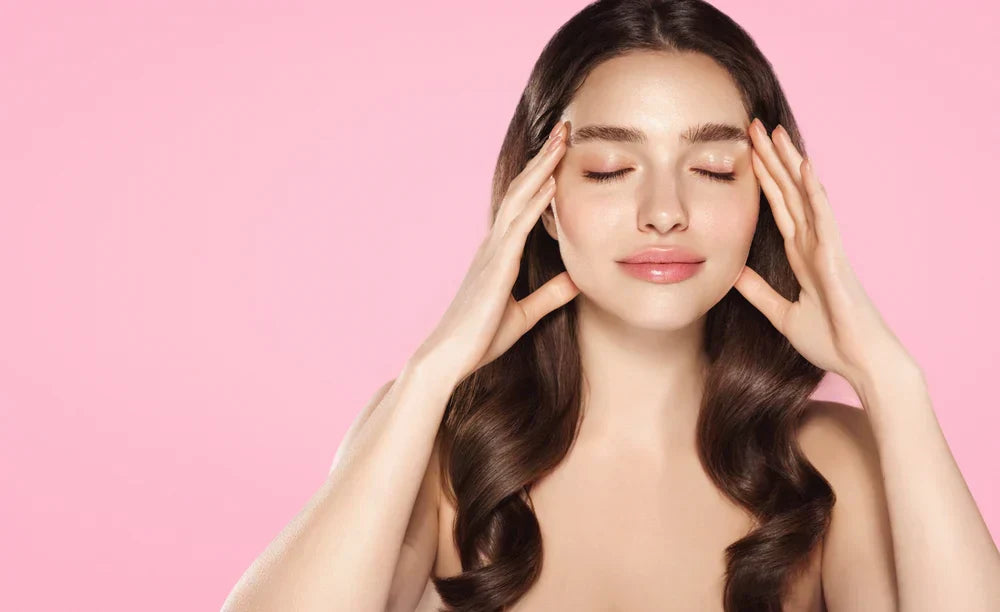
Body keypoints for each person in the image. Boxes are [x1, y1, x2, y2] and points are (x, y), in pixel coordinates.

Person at [221, 1, 1000, 610]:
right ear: (545, 205)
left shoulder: (836, 463)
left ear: (768, 201)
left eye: (715, 169)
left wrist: (893, 381)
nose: (665, 211)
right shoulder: (432, 449)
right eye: (608, 168)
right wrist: (430, 373)